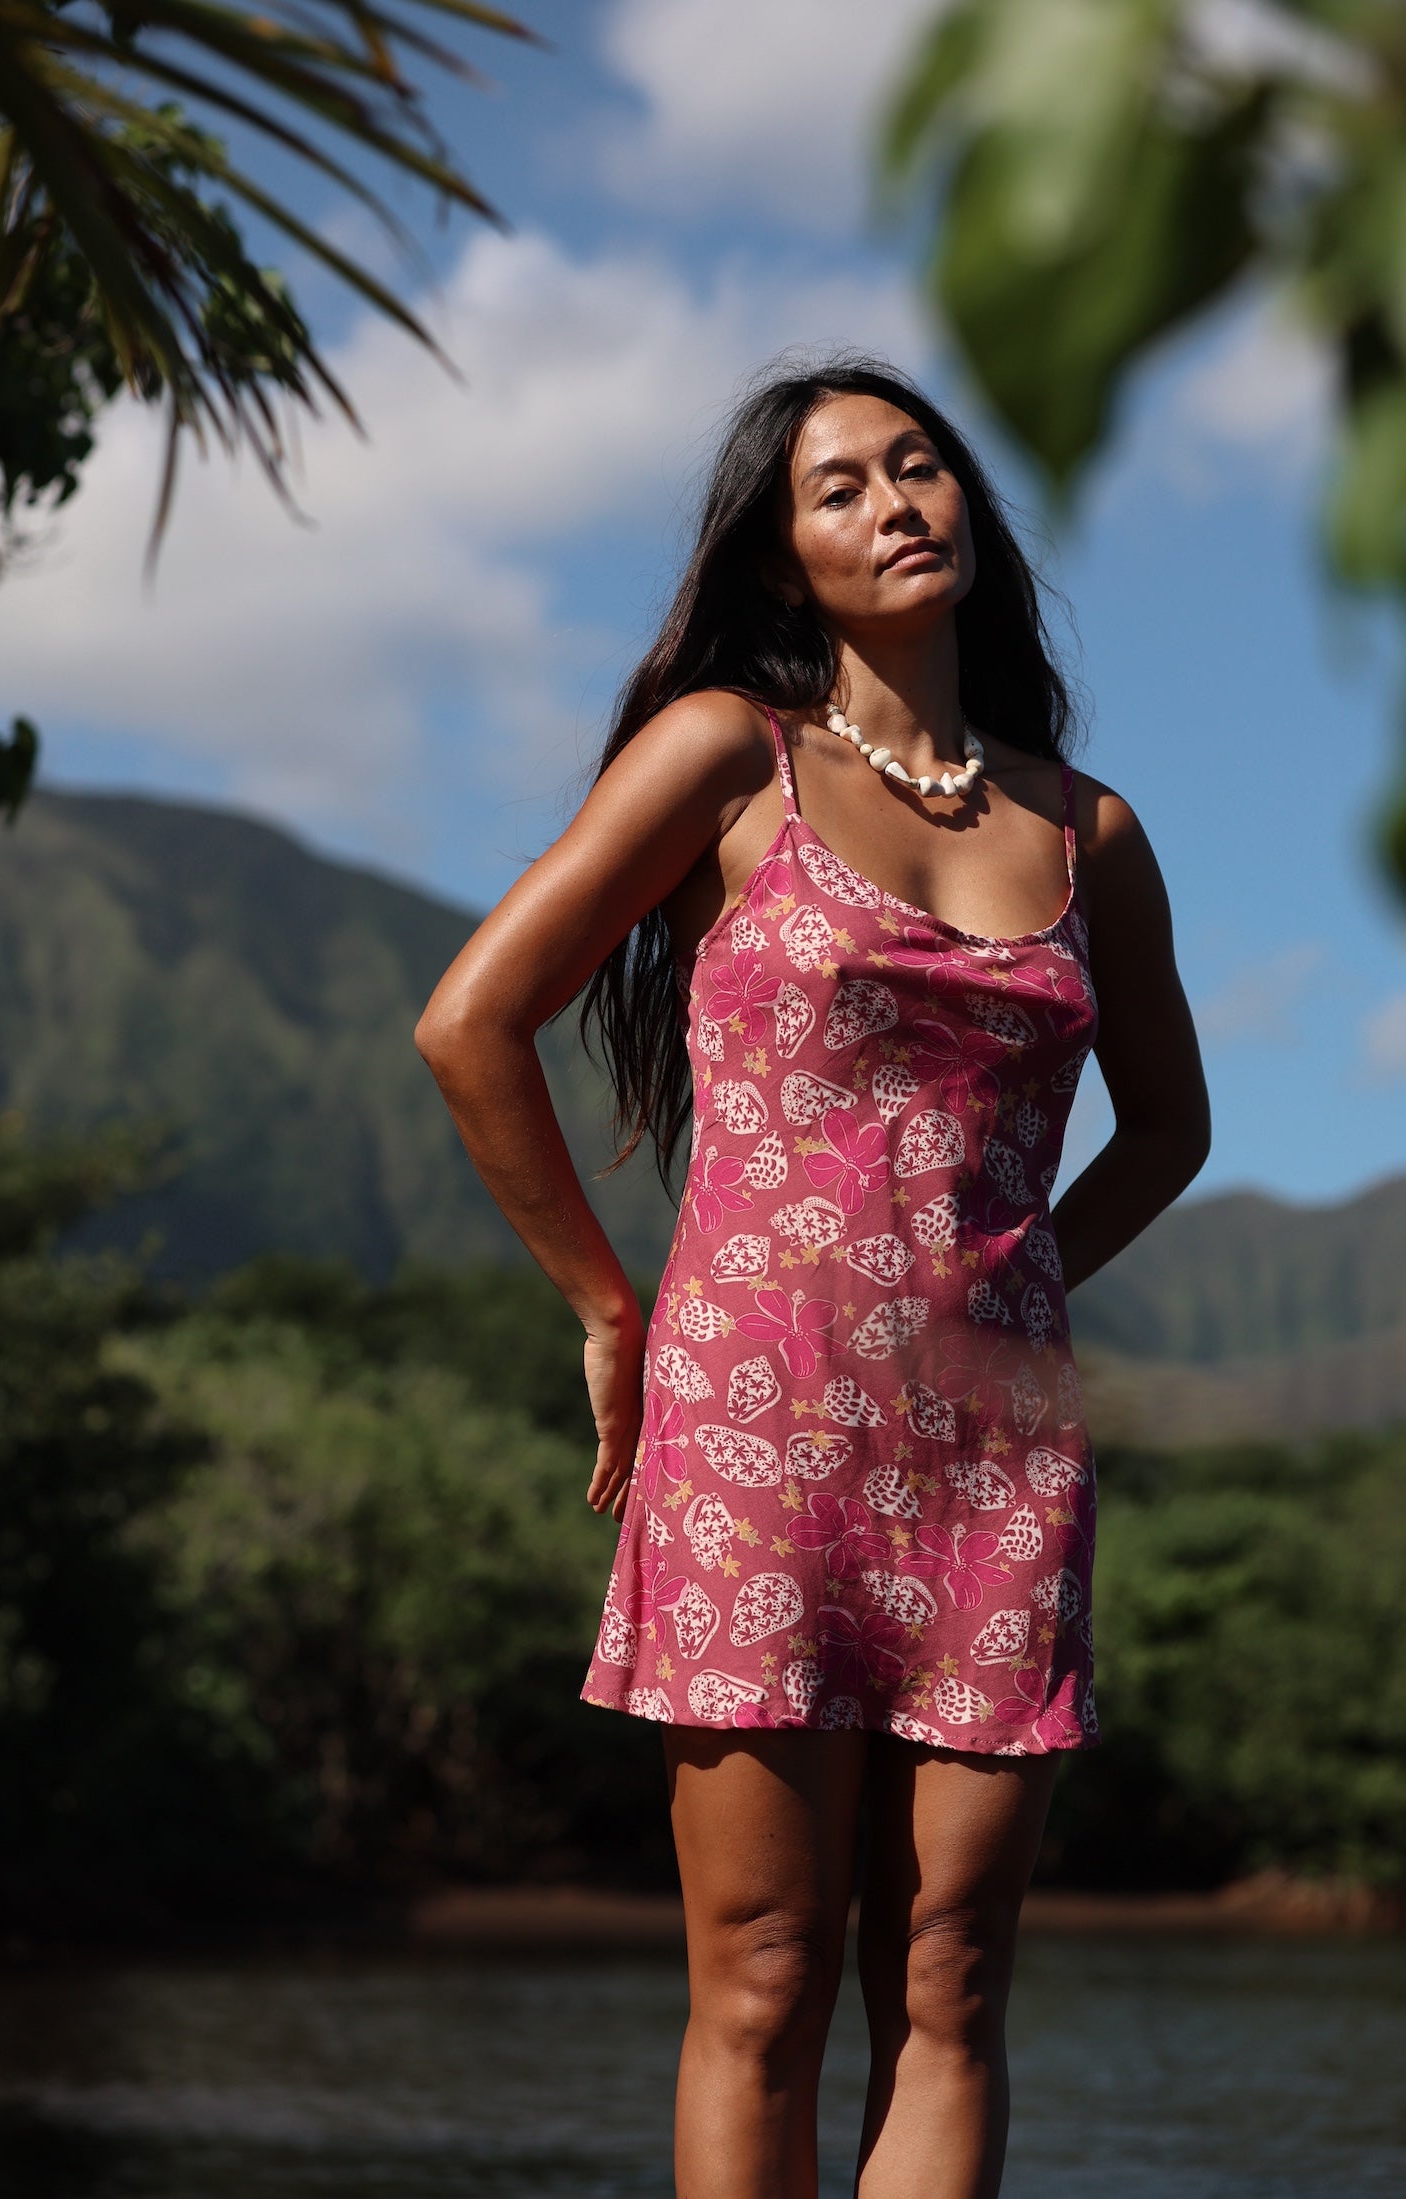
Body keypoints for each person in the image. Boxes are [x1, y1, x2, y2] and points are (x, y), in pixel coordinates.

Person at [416, 356, 1210, 2199]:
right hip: (756, 1445)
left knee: (952, 1973)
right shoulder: (724, 757)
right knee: (765, 1977)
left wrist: (1014, 1294)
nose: (894, 501)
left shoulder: (1088, 834)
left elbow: (1168, 1128)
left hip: (996, 1464)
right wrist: (609, 1307)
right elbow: (473, 1025)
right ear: (786, 570)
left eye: (918, 464)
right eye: (838, 488)